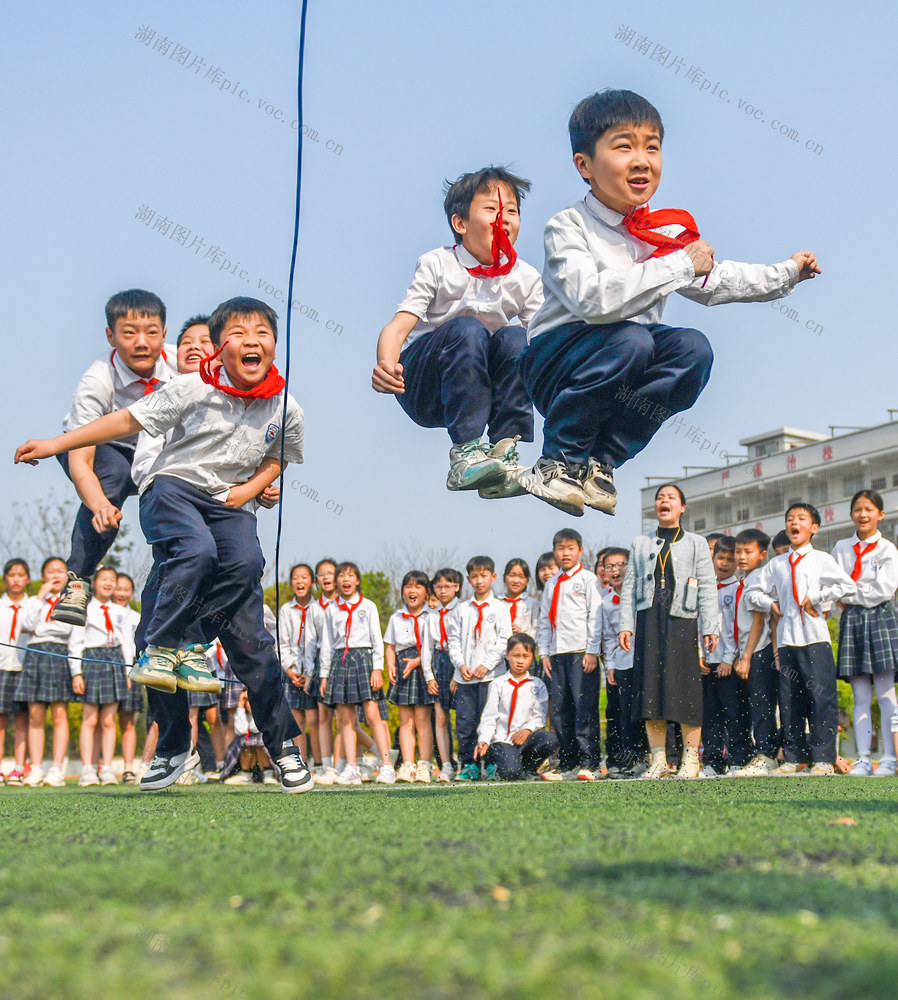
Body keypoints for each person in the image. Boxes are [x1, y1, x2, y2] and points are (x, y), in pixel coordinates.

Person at [15, 296, 314, 794]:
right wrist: (55, 444)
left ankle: (281, 744)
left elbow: (279, 453)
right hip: (175, 507)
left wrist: (252, 488)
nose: (251, 342)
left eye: (262, 333)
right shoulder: (183, 389)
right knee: (174, 596)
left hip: (228, 516)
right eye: (236, 334)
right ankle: (174, 747)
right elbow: (124, 423)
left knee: (252, 631)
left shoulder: (283, 406)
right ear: (215, 349)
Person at [516, 88, 819, 516]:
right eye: (624, 147)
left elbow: (715, 281)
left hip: (621, 365)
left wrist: (786, 273)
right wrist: (679, 264)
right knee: (634, 339)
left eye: (652, 147)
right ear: (584, 165)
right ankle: (556, 461)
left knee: (693, 349)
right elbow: (592, 301)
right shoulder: (568, 225)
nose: (642, 160)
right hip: (557, 364)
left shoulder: (661, 233)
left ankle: (601, 461)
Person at [372, 167, 544, 498]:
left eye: (511, 211)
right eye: (491, 209)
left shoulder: (525, 277)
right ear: (460, 223)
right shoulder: (438, 264)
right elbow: (399, 325)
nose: (503, 218)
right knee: (468, 329)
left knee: (518, 340)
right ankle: (465, 455)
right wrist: (386, 364)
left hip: (482, 390)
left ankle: (503, 457)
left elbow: (545, 341)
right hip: (425, 385)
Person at [52, 289, 177, 625]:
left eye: (151, 332)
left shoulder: (181, 364)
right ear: (111, 336)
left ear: (164, 333)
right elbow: (81, 461)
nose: (142, 343)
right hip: (97, 448)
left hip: (155, 450)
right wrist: (100, 505)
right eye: (129, 333)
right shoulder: (96, 381)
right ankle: (78, 579)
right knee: (114, 476)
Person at [745, 503, 856, 776]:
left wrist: (817, 597)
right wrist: (770, 603)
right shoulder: (777, 564)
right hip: (787, 640)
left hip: (815, 638)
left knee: (821, 697)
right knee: (790, 699)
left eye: (801, 518)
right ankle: (793, 757)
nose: (794, 523)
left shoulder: (821, 559)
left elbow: (848, 585)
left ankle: (823, 759)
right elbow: (751, 592)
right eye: (790, 519)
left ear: (814, 527)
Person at [619, 484, 719, 779]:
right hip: (649, 621)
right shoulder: (640, 543)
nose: (664, 501)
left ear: (682, 507)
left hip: (682, 621)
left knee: (686, 690)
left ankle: (690, 759)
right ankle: (659, 760)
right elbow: (629, 586)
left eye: (671, 497)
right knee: (650, 691)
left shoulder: (697, 543)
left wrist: (710, 627)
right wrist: (626, 625)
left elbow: (708, 586)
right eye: (660, 497)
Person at [831, 490, 898, 777]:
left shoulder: (887, 550)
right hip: (854, 623)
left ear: (880, 514)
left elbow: (884, 590)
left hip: (881, 620)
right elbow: (833, 586)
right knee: (860, 696)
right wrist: (848, 594)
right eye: (858, 509)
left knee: (885, 695)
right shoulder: (841, 548)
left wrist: (849, 594)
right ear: (851, 514)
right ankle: (863, 759)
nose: (863, 514)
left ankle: (890, 758)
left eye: (869, 509)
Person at [318, 562, 395, 786]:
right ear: (337, 582)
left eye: (350, 575)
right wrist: (324, 675)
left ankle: (387, 766)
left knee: (372, 715)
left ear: (357, 580)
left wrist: (377, 668)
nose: (346, 579)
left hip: (363, 659)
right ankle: (352, 767)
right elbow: (327, 644)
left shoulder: (368, 606)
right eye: (341, 576)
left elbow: (376, 639)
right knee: (346, 719)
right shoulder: (331, 609)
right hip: (341, 660)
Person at [537, 529, 603, 781]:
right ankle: (568, 761)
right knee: (561, 710)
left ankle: (590, 762)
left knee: (584, 707)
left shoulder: (588, 579)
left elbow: (595, 616)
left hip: (580, 653)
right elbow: (545, 620)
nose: (565, 553)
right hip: (557, 653)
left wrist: (592, 651)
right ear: (555, 551)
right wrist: (544, 652)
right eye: (561, 548)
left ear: (580, 551)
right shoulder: (551, 583)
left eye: (570, 548)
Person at [16, 557, 83, 786]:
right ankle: (35, 769)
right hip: (35, 654)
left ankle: (56, 769)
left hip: (59, 654)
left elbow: (76, 640)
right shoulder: (34, 601)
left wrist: (76, 672)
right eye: (50, 571)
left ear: (67, 577)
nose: (55, 575)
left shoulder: (72, 601)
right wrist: (39, 596)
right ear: (43, 576)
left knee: (59, 715)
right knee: (35, 715)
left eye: (60, 571)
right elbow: (27, 624)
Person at [447, 556, 513, 780]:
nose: (479, 581)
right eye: (474, 576)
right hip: (466, 678)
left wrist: (487, 665)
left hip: (491, 677)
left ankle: (493, 763)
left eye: (484, 576)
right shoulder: (461, 609)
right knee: (466, 724)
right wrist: (461, 664)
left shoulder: (500, 608)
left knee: (492, 721)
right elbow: (453, 641)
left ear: (493, 577)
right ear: (468, 579)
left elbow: (504, 640)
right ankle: (469, 765)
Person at [69, 566, 130, 786]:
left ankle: (106, 769)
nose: (108, 583)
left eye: (112, 580)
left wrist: (128, 671)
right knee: (90, 718)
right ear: (95, 583)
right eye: (104, 579)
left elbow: (126, 643)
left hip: (115, 661)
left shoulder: (120, 611)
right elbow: (75, 642)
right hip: (92, 660)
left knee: (108, 720)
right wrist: (76, 673)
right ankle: (87, 769)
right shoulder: (84, 609)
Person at [729, 529, 780, 777]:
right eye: (738, 551)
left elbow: (759, 622)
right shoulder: (745, 579)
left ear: (762, 554)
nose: (741, 556)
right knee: (753, 704)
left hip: (759, 651)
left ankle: (766, 755)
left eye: (748, 552)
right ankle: (758, 754)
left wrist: (747, 656)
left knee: (762, 704)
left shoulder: (759, 578)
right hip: (749, 650)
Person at [700, 537, 752, 777]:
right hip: (707, 663)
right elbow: (698, 624)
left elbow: (736, 629)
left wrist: (728, 659)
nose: (724, 563)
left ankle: (739, 757)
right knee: (710, 715)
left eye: (731, 559)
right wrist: (699, 654)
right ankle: (713, 760)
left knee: (735, 713)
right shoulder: (704, 589)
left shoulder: (738, 589)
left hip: (728, 664)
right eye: (720, 557)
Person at [474, 634, 558, 780]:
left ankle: (529, 768)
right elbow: (489, 716)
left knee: (550, 739)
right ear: (507, 655)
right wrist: (484, 740)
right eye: (516, 656)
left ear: (532, 657)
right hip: (503, 740)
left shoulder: (538, 685)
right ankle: (499, 767)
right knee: (511, 773)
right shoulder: (498, 684)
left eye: (525, 656)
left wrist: (527, 730)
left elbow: (540, 716)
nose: (520, 661)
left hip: (527, 739)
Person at [385, 571, 439, 783]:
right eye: (408, 586)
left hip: (423, 666)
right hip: (402, 668)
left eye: (418, 587)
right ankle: (408, 765)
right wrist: (391, 665)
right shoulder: (396, 618)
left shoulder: (432, 616)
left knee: (422, 720)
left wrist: (418, 661)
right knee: (406, 721)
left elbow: (433, 647)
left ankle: (424, 765)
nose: (412, 591)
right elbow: (390, 646)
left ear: (427, 592)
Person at [601, 547, 646, 778]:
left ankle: (653, 758)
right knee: (625, 715)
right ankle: (632, 761)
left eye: (621, 564)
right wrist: (610, 665)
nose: (616, 570)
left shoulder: (642, 597)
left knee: (645, 711)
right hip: (622, 665)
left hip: (644, 662)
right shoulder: (606, 602)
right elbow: (609, 638)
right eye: (610, 566)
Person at [421, 567, 462, 782]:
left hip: (460, 664)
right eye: (439, 586)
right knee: (440, 717)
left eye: (448, 586)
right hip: (439, 662)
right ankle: (447, 765)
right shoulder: (431, 616)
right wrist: (429, 676)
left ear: (457, 587)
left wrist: (458, 673)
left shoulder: (464, 610)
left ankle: (471, 762)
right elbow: (426, 648)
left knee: (464, 716)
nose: (443, 590)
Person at [278, 563, 320, 769]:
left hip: (314, 671)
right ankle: (302, 764)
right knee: (297, 721)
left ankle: (320, 763)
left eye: (304, 577)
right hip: (292, 671)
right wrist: (290, 670)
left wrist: (310, 672)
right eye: (295, 577)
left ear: (312, 582)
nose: (300, 581)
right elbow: (282, 643)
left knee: (315, 719)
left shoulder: (319, 609)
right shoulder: (286, 610)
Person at [0, 559, 31, 785]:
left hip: (24, 668)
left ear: (28, 579)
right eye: (12, 575)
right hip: (1, 667)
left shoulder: (34, 605)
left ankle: (19, 768)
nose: (16, 579)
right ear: (5, 579)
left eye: (21, 575)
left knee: (22, 720)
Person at [112, 571, 144, 784]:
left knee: (128, 720)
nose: (122, 593)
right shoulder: (101, 611)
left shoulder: (136, 617)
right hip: (108, 665)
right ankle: (101, 766)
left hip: (131, 668)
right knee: (103, 719)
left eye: (126, 589)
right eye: (118, 588)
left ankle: (128, 767)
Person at [221, 690, 277, 785]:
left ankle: (268, 772)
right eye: (247, 700)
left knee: (258, 740)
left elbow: (256, 728)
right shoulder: (243, 713)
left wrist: (256, 710)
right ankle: (245, 772)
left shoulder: (267, 712)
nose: (250, 704)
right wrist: (240, 706)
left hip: (268, 752)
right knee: (244, 739)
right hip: (250, 755)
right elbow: (240, 730)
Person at [500, 559, 540, 638]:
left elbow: (537, 630)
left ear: (527, 580)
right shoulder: (497, 603)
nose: (516, 580)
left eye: (521, 577)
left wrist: (522, 633)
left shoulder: (533, 604)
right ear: (504, 577)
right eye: (512, 575)